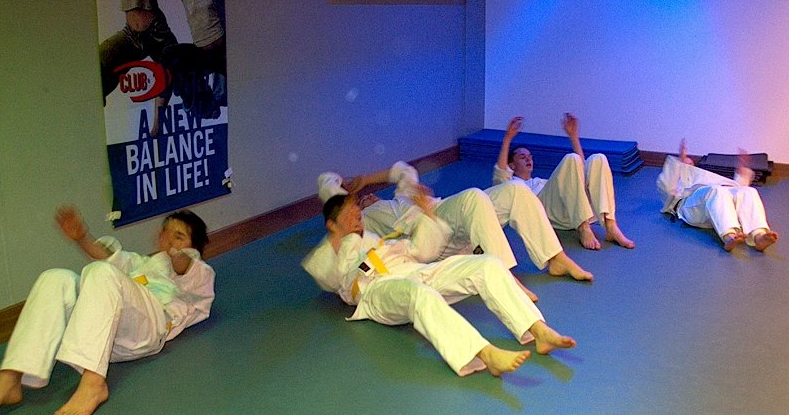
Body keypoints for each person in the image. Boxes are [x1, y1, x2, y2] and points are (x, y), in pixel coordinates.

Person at [302, 191, 577, 378]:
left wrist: (427, 215)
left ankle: (536, 330)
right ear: (332, 224)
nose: (356, 214)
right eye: (349, 212)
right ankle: (485, 353)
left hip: (413, 269)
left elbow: (423, 251)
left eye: (356, 209)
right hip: (376, 289)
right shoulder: (333, 252)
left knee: (488, 264)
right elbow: (327, 278)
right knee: (419, 294)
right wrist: (337, 238)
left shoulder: (376, 239)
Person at [0, 206, 215, 415]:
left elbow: (187, 266)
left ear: (193, 246)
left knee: (102, 272)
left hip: (149, 329)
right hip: (105, 339)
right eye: (166, 232)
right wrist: (82, 238)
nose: (169, 240)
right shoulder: (141, 263)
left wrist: (180, 257)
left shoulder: (197, 276)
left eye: (179, 236)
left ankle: (93, 382)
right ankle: (10, 378)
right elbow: (108, 257)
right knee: (56, 278)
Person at [322, 161, 593, 290]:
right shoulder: (366, 222)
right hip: (429, 238)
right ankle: (505, 278)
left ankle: (555, 258)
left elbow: (403, 170)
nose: (367, 198)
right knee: (473, 196)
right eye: (358, 202)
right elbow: (327, 183)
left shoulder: (401, 194)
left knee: (516, 189)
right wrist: (346, 194)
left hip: (449, 214)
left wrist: (364, 180)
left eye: (368, 196)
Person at [103, 0, 227, 128]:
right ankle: (175, 114)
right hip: (201, 53)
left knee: (230, 85)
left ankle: (213, 103)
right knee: (170, 55)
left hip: (221, 51)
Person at [494, 115, 635, 251]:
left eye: (530, 157)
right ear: (512, 165)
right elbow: (501, 173)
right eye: (522, 157)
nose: (528, 159)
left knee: (598, 158)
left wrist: (573, 136)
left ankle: (610, 224)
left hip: (571, 211)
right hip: (549, 214)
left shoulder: (541, 182)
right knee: (571, 158)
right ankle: (583, 227)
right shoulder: (511, 185)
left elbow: (582, 174)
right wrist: (507, 138)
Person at [99, 0, 179, 136]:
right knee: (101, 61)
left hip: (156, 30)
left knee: (168, 75)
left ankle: (157, 126)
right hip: (131, 35)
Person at [657, 139, 779, 252]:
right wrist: (680, 161)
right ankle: (729, 236)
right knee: (717, 190)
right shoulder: (678, 183)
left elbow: (736, 191)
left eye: (690, 164)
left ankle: (759, 235)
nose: (688, 166)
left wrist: (741, 170)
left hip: (716, 212)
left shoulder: (705, 178)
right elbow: (666, 186)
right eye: (684, 164)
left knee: (748, 191)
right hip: (691, 209)